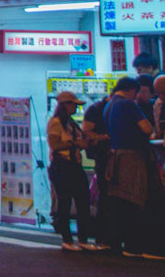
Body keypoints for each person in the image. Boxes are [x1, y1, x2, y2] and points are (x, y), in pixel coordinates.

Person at [103, 76, 155, 258]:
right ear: (133, 90)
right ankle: (133, 244)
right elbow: (147, 129)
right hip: (131, 158)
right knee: (133, 198)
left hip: (115, 156)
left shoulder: (110, 105)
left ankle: (118, 242)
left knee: (119, 201)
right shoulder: (128, 105)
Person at [47, 91, 93, 251]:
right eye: (72, 104)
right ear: (64, 105)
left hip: (75, 165)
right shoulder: (56, 123)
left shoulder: (72, 123)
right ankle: (67, 239)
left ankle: (83, 239)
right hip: (62, 166)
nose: (75, 108)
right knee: (65, 202)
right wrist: (75, 144)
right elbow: (55, 145)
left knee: (83, 201)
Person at [82, 87, 114, 251]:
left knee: (107, 196)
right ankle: (103, 237)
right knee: (105, 195)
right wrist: (106, 138)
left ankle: (107, 238)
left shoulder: (99, 109)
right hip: (103, 159)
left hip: (106, 159)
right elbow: (87, 132)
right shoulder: (96, 109)